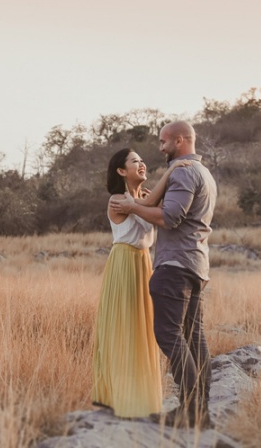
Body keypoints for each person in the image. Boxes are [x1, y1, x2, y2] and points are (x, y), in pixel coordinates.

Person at [110, 121, 217, 429]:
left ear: (180, 140)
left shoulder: (184, 172)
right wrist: (138, 203)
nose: (159, 148)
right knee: (195, 339)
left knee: (169, 335)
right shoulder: (205, 174)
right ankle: (201, 412)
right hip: (197, 266)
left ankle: (191, 409)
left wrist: (132, 208)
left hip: (175, 267)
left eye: (163, 142)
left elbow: (170, 218)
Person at [92, 148, 191, 418]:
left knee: (144, 326)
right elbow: (147, 209)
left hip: (143, 263)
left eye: (142, 160)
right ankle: (120, 397)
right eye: (135, 161)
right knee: (125, 326)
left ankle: (141, 397)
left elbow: (160, 213)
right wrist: (171, 171)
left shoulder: (144, 198)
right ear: (121, 171)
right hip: (124, 263)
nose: (142, 164)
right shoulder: (117, 200)